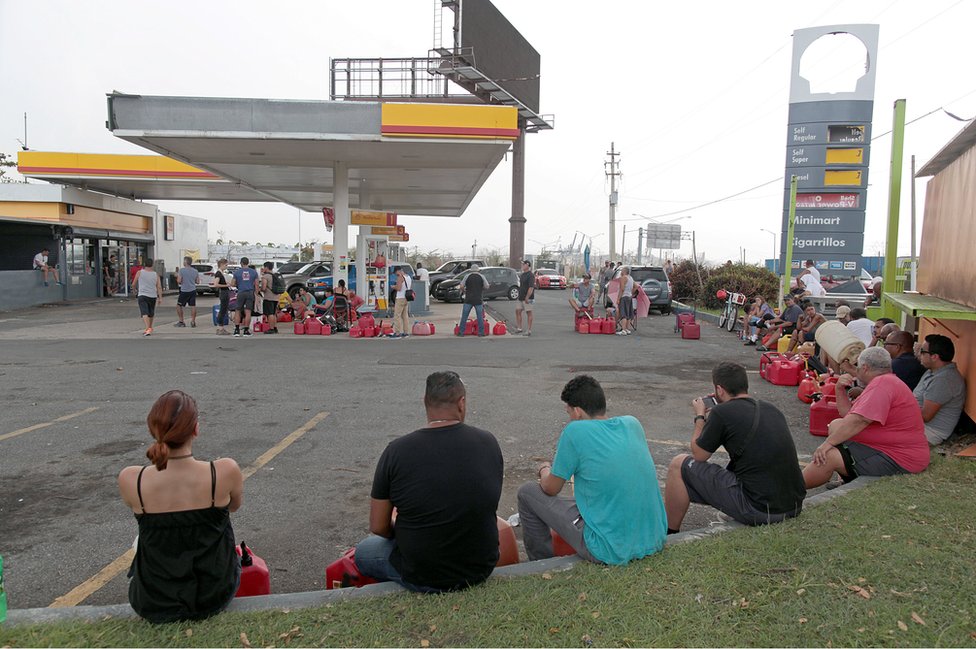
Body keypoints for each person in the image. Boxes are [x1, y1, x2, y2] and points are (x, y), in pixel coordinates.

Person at [353, 371, 503, 592]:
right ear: (461, 403)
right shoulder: (488, 441)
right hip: (480, 567)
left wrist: (407, 530)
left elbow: (378, 526)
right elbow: (483, 503)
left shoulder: (397, 451)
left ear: (425, 402)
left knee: (364, 551)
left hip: (421, 574)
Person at [118, 390, 244, 623]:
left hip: (152, 600)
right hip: (214, 594)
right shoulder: (224, 471)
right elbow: (234, 506)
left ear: (152, 429)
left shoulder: (131, 479)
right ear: (195, 429)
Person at [517, 375, 666, 564]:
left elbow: (550, 489)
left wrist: (544, 469)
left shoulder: (575, 431)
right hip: (654, 538)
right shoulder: (632, 423)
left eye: (569, 412)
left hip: (607, 548)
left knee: (527, 493)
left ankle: (541, 563)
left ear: (578, 412)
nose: (570, 417)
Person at [663, 362, 805, 531]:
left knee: (679, 465)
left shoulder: (721, 413)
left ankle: (670, 532)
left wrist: (700, 416)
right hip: (793, 505)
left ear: (719, 390)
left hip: (759, 509)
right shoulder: (770, 409)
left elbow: (699, 454)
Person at [802, 347, 930, 489]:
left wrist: (827, 444)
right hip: (893, 448)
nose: (856, 371)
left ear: (865, 368)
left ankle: (790, 489)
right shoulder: (886, 382)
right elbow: (849, 416)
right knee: (837, 425)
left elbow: (860, 420)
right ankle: (844, 480)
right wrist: (839, 389)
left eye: (857, 367)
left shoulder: (881, 385)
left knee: (829, 457)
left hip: (900, 458)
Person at [914, 334, 966, 445]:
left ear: (935, 357)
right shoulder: (934, 370)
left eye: (922, 351)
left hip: (928, 433)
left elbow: (925, 416)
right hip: (917, 425)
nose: (919, 354)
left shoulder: (944, 380)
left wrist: (899, 408)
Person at [132, 258, 163, 337]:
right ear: (152, 265)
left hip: (142, 295)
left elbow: (134, 283)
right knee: (151, 312)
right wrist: (160, 297)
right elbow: (159, 287)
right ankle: (150, 327)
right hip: (152, 295)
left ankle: (147, 328)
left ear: (144, 264)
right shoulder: (155, 274)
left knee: (144, 312)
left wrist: (134, 290)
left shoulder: (139, 272)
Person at [230, 257, 259, 337]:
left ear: (241, 263)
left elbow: (232, 284)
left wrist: (238, 284)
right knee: (248, 311)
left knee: (238, 310)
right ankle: (246, 330)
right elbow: (256, 284)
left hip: (241, 292)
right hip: (250, 292)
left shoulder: (237, 272)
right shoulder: (254, 272)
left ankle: (236, 330)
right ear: (248, 263)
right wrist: (256, 294)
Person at [457, 265, 489, 337]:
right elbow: (487, 286)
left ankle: (461, 332)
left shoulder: (467, 276)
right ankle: (481, 333)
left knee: (464, 316)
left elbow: (461, 286)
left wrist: (464, 291)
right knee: (480, 317)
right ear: (478, 270)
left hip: (468, 299)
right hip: (478, 299)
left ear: (471, 270)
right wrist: (481, 288)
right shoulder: (482, 276)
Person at [175, 257, 199, 328]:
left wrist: (178, 277)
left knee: (179, 306)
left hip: (184, 291)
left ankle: (181, 321)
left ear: (185, 262)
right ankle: (193, 321)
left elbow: (179, 281)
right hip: (193, 290)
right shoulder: (195, 271)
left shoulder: (181, 270)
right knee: (193, 306)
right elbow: (197, 281)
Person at [211, 258, 232, 335]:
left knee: (223, 310)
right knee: (223, 310)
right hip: (223, 293)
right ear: (222, 265)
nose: (226, 267)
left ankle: (220, 327)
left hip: (225, 292)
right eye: (226, 265)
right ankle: (220, 328)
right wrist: (226, 285)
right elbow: (215, 284)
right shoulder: (218, 274)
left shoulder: (221, 273)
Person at [514, 260, 535, 336]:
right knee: (517, 311)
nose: (522, 266)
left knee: (529, 313)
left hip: (528, 298)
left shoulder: (530, 275)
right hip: (520, 297)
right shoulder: (522, 275)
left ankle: (529, 330)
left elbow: (531, 287)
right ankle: (519, 328)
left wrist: (527, 297)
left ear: (527, 265)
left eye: (523, 264)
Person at [390, 266, 412, 338]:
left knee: (397, 316)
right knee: (405, 316)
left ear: (398, 271)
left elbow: (399, 288)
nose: (395, 274)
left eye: (395, 272)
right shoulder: (408, 277)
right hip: (406, 298)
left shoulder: (400, 277)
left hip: (400, 298)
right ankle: (406, 332)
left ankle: (397, 333)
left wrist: (393, 287)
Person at [259, 262, 280, 334]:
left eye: (264, 267)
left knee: (270, 313)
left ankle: (271, 328)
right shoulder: (275, 275)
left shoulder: (266, 276)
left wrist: (260, 289)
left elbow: (264, 288)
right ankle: (275, 327)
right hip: (276, 297)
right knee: (274, 313)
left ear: (266, 267)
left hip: (269, 297)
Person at [615, 266, 636, 335]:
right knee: (628, 313)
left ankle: (623, 330)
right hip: (629, 296)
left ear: (624, 272)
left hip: (624, 297)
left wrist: (618, 299)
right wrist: (631, 293)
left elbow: (622, 289)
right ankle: (627, 329)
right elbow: (636, 286)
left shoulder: (623, 278)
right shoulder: (631, 278)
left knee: (623, 313)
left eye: (622, 271)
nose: (621, 272)